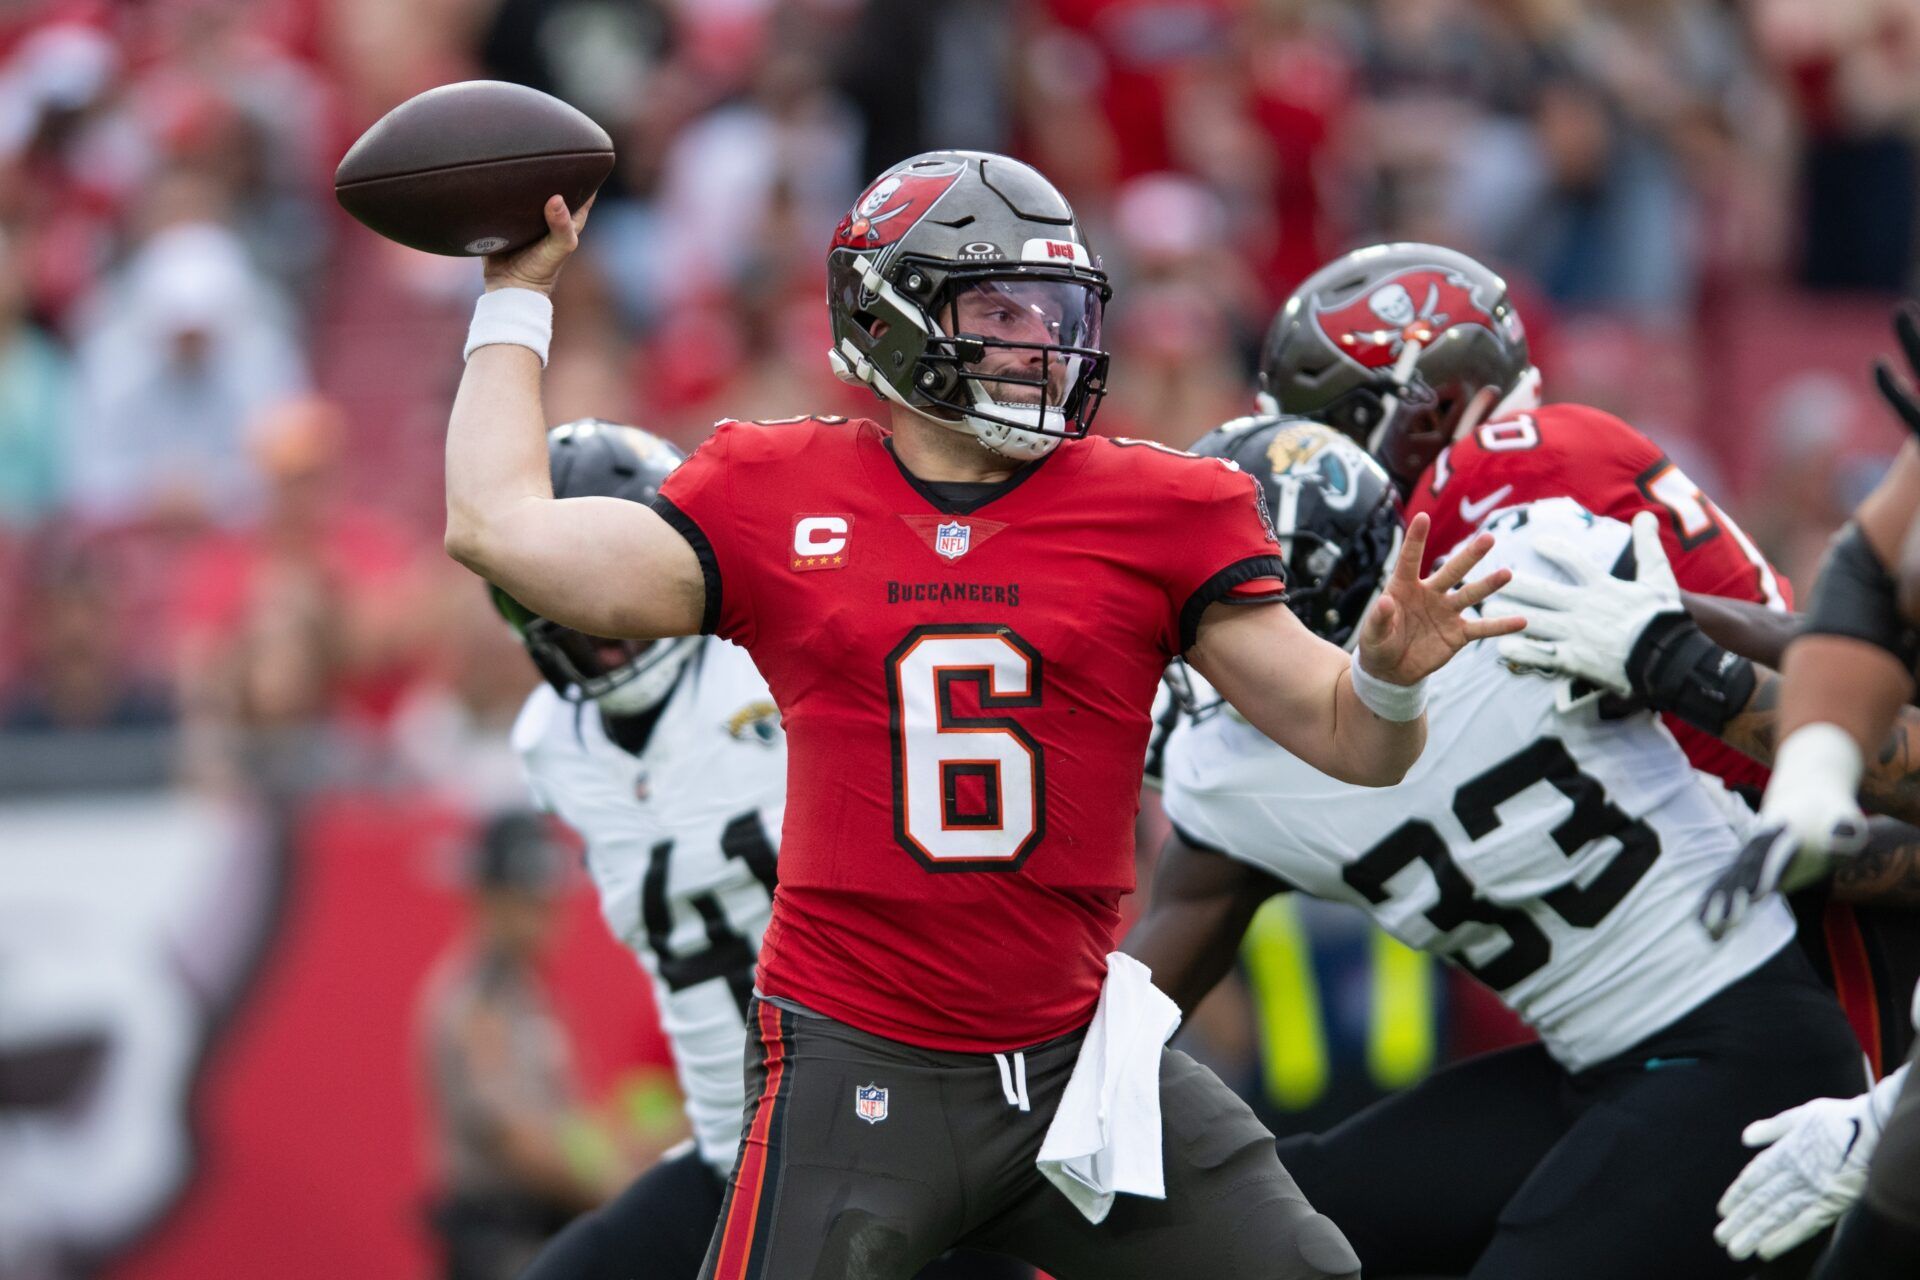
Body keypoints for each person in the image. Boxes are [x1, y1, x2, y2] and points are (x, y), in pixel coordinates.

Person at [442, 149, 1521, 1280]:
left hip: (1076, 1059)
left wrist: (1391, 680)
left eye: (1056, 307)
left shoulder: (1163, 506)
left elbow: (1354, 741)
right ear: (892, 318)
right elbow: (500, 530)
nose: (1040, 339)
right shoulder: (777, 493)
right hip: (860, 1056)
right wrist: (515, 295)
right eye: (1000, 307)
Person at [1128, 417, 1865, 1280]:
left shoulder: (1522, 576)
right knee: (1274, 1220)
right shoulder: (1230, 775)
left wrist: (1675, 646)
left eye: (1219, 594)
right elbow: (1122, 1030)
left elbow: (1828, 662)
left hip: (1750, 1048)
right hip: (1599, 1066)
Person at [1261, 241, 1920, 1077]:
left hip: (1802, 883)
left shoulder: (1489, 469)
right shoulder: (1536, 451)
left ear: (1433, 409)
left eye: (1337, 430)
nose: (1314, 471)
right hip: (1761, 845)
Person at [498, 418, 1026, 1280]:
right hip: (726, 1152)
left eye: (599, 565)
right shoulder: (551, 745)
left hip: (893, 1139)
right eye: (552, 580)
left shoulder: (775, 659)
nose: (587, 609)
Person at [421, 811, 621, 1280]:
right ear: (489, 900)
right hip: (504, 1241)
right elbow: (515, 1139)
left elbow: (566, 1121)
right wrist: (616, 1190)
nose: (548, 912)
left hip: (541, 1231)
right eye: (529, 899)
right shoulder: (478, 1000)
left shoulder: (522, 992)